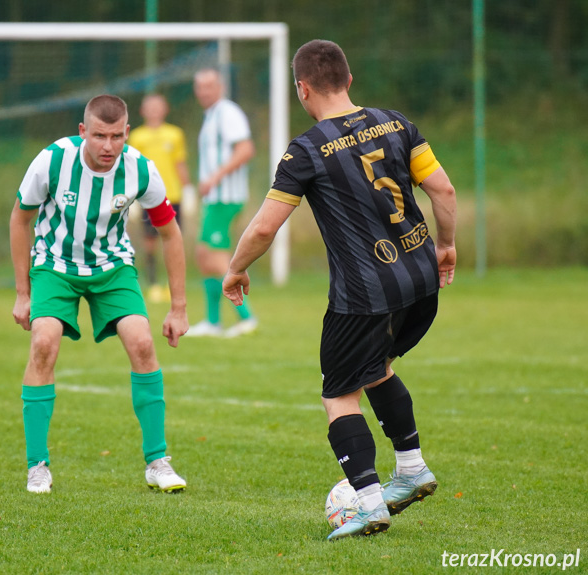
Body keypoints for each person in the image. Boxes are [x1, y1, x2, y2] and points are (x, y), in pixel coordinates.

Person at [223, 40, 457, 540]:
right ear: (349, 80)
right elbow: (444, 191)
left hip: (364, 294)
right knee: (377, 369)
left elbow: (264, 229)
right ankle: (412, 468)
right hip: (419, 280)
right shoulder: (397, 124)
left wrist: (235, 268)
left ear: (302, 89)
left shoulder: (304, 151)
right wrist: (447, 246)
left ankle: (368, 504)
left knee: (339, 393)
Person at [10, 94, 189, 494]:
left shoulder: (140, 169)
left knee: (143, 344)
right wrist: (23, 293)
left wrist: (178, 307)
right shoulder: (52, 161)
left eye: (115, 136)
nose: (108, 146)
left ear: (127, 132)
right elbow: (20, 220)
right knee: (44, 343)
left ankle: (158, 462)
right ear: (82, 132)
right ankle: (37, 466)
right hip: (55, 265)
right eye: (98, 136)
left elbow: (170, 232)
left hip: (112, 267)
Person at [185, 68, 258, 339]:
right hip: (215, 199)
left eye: (209, 86)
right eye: (199, 87)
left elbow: (245, 149)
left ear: (220, 87)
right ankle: (213, 322)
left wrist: (215, 177)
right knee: (204, 255)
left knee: (214, 256)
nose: (204, 91)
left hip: (226, 197)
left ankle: (247, 317)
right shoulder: (211, 116)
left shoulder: (228, 113)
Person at [127, 94, 192, 304]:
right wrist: (132, 198)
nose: (154, 111)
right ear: (142, 111)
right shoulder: (137, 136)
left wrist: (188, 189)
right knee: (149, 242)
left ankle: (170, 285)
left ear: (165, 109)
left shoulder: (175, 134)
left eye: (158, 107)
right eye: (150, 107)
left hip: (172, 195)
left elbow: (179, 163)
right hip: (147, 197)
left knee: (173, 240)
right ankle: (153, 283)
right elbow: (133, 168)